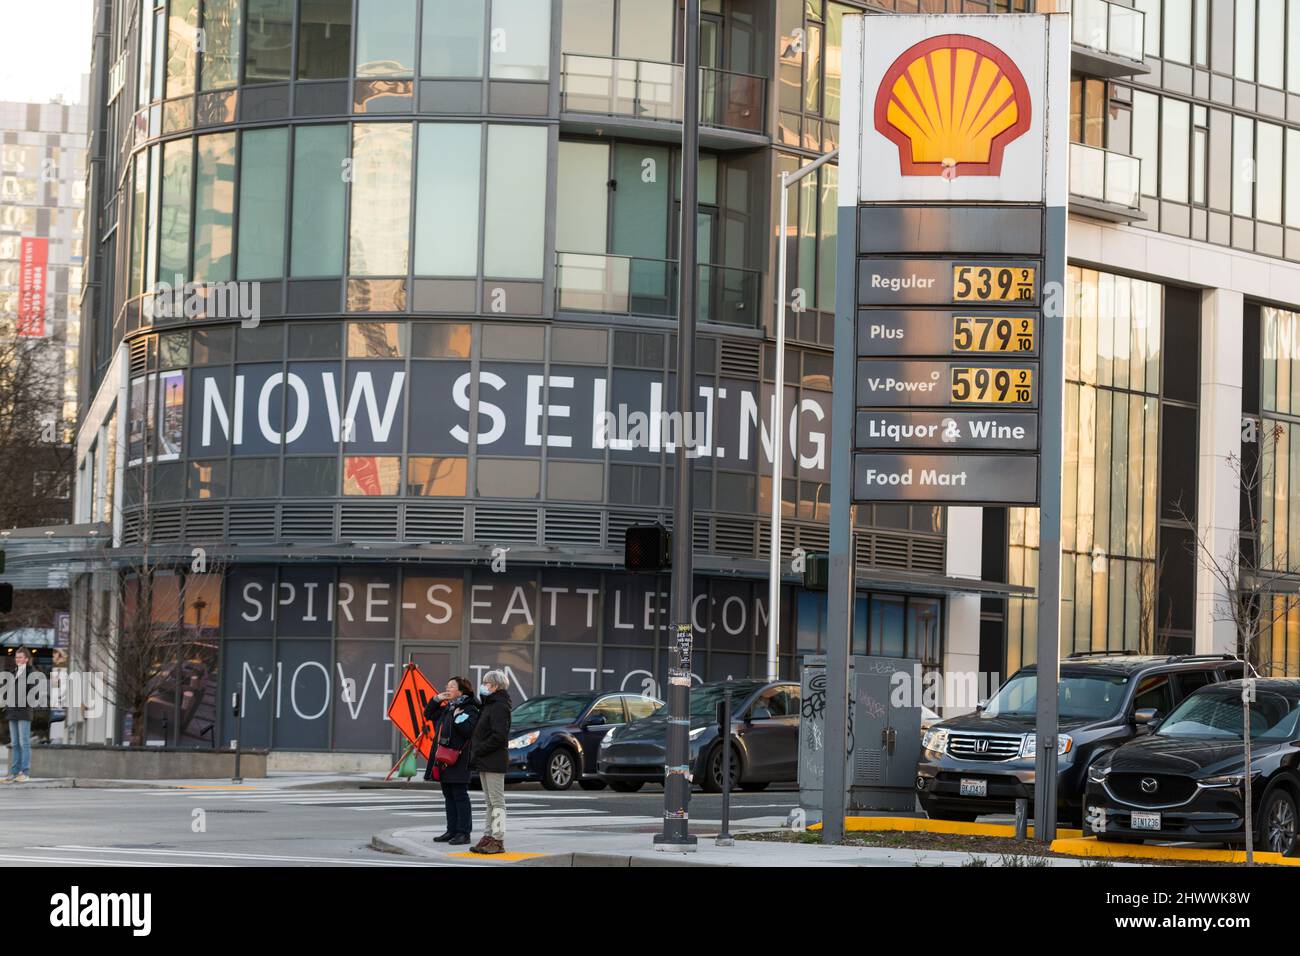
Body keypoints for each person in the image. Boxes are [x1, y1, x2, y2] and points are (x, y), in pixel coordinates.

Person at [422, 677, 479, 846]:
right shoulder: (449, 707)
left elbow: (468, 730)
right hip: (443, 757)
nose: (448, 687)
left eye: (452, 685)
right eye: (447, 684)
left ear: (461, 691)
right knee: (448, 795)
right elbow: (428, 714)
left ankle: (463, 832)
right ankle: (451, 830)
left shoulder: (470, 708)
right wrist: (437, 699)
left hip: (459, 759)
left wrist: (456, 718)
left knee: (460, 795)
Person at [469, 670, 512, 855]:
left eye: (486, 683)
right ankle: (488, 836)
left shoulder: (500, 706)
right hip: (485, 759)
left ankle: (499, 839)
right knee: (489, 802)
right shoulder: (489, 704)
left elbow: (499, 736)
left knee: (497, 801)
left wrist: (479, 749)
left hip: (493, 759)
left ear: (495, 686)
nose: (483, 685)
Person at [4, 648, 35, 783]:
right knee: (15, 743)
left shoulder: (31, 673)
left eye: (21, 657)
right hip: (12, 712)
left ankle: (25, 772)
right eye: (16, 657)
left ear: (26, 659)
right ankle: (14, 772)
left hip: (24, 712)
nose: (18, 660)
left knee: (24, 742)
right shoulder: (13, 673)